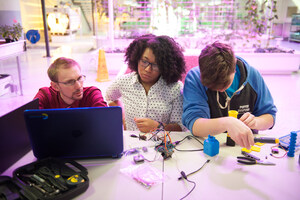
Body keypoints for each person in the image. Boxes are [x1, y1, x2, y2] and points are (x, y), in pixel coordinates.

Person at [182, 41, 277, 149]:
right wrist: (227, 123)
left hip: (244, 146)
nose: (221, 90)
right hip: (209, 145)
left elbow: (270, 117)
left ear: (234, 68)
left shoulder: (253, 76)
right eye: (213, 86)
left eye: (225, 83)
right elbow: (194, 124)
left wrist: (256, 122)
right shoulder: (194, 77)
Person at [105, 34, 186, 133]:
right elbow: (108, 98)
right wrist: (121, 115)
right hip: (132, 144)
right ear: (136, 58)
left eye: (156, 65)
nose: (148, 69)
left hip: (161, 145)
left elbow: (180, 127)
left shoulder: (175, 88)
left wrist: (158, 126)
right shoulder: (123, 82)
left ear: (165, 67)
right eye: (144, 61)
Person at [34, 57, 107, 109]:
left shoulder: (91, 94)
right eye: (70, 82)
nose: (78, 86)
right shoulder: (46, 95)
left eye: (79, 78)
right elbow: (29, 120)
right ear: (56, 86)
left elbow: (105, 118)